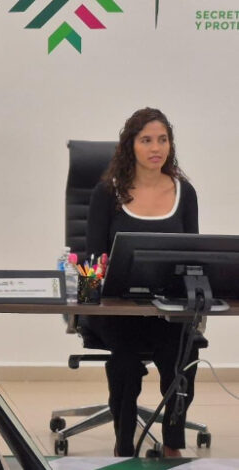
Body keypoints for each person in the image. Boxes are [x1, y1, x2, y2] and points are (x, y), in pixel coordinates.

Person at [86, 107, 199, 457]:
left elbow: (195, 255)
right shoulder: (107, 193)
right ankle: (124, 445)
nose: (156, 148)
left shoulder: (184, 192)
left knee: (183, 353)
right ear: (130, 145)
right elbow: (93, 259)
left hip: (169, 307)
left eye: (162, 140)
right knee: (125, 359)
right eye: (146, 140)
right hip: (118, 308)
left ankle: (173, 445)